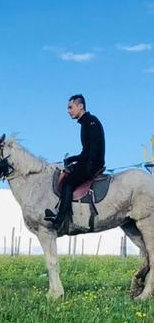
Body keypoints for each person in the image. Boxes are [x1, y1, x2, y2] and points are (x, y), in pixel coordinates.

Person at [45, 94, 105, 229]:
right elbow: (87, 150)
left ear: (80, 106)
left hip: (93, 164)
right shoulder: (87, 122)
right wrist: (73, 159)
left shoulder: (90, 122)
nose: (68, 111)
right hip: (90, 161)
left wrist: (84, 166)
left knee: (68, 182)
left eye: (70, 107)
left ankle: (60, 219)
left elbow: (93, 150)